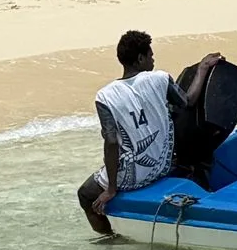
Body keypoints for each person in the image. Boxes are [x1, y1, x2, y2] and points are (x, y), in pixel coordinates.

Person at [78, 32, 221, 237]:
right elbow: (188, 101)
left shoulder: (105, 96)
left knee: (84, 195)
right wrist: (203, 68)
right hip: (163, 167)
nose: (153, 60)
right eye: (151, 56)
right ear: (140, 58)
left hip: (129, 180)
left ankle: (108, 238)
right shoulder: (161, 79)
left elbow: (111, 141)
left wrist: (111, 189)